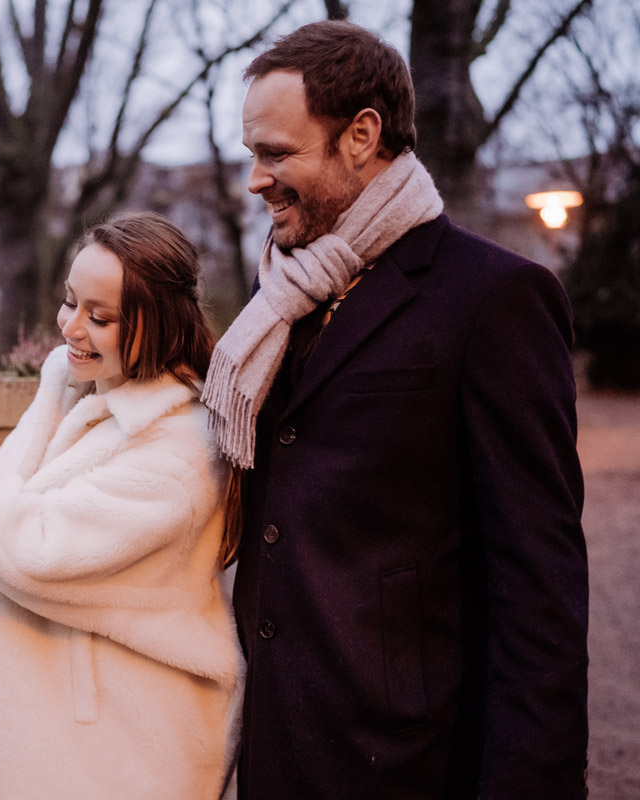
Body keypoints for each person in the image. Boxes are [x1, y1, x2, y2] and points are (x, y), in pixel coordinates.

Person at [202, 20, 589, 799]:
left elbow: (538, 579)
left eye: (275, 154)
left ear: (362, 135)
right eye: (252, 155)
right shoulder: (280, 296)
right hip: (275, 744)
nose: (255, 180)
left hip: (412, 758)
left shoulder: (494, 298)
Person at [0, 212, 243, 800]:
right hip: (55, 737)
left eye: (99, 316)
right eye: (70, 302)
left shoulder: (180, 449)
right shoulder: (79, 393)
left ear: (158, 325)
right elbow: (1, 518)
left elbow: (34, 550)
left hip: (117, 754)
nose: (71, 327)